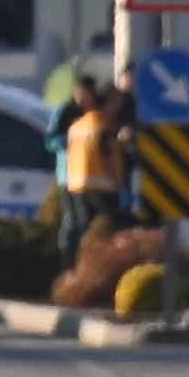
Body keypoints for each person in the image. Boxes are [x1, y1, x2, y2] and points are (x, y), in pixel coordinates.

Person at [60, 75, 122, 262]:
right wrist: (121, 183)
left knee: (81, 233)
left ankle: (74, 268)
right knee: (104, 233)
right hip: (103, 188)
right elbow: (111, 159)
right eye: (115, 104)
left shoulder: (76, 126)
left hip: (76, 186)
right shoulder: (103, 127)